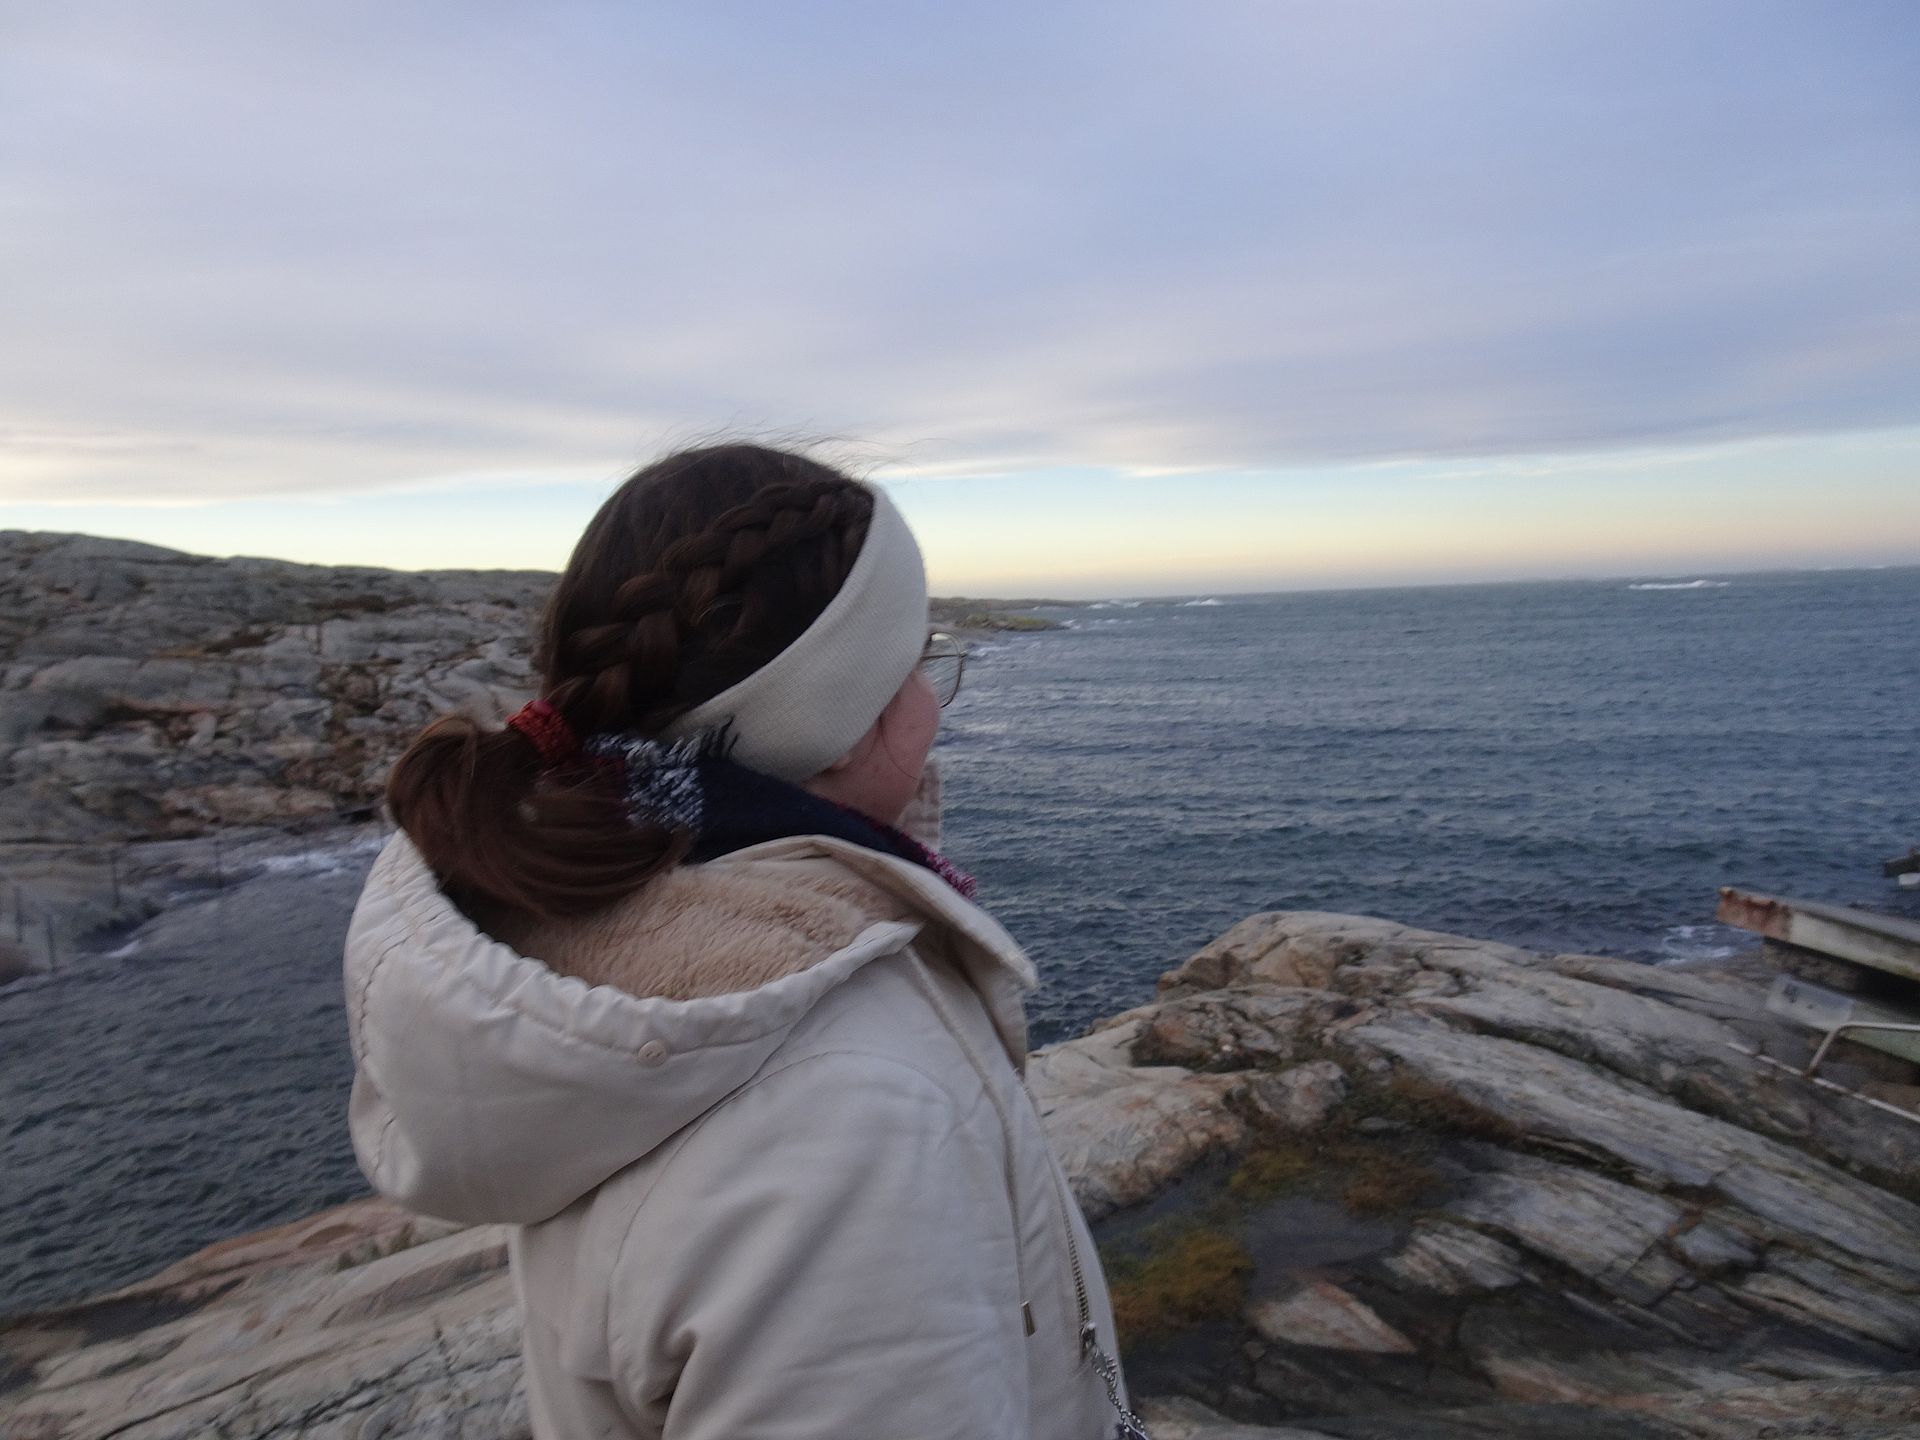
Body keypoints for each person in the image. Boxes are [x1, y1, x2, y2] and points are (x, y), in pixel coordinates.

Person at [342, 444, 1140, 1439]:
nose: (936, 700)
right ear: (840, 723)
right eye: (923, 662)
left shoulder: (583, 916)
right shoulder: (849, 1109)